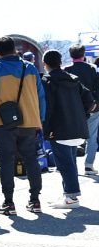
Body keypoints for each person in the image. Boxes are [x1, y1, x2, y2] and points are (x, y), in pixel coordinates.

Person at [0, 35, 46, 215]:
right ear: (15, 50)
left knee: (6, 162)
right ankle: (35, 201)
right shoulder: (30, 68)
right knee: (31, 159)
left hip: (3, 122)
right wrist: (39, 119)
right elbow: (41, 96)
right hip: (30, 122)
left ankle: (8, 203)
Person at [41, 50, 93, 209]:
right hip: (77, 127)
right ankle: (68, 194)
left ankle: (72, 197)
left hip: (59, 129)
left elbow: (47, 108)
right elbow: (90, 101)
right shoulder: (73, 79)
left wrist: (46, 128)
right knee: (70, 162)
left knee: (65, 164)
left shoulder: (47, 82)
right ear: (60, 62)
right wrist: (81, 116)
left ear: (45, 64)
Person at [65, 44, 99, 175]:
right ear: (83, 55)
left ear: (70, 55)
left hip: (72, 108)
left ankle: (72, 165)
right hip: (92, 107)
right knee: (92, 137)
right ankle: (89, 166)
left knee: (72, 137)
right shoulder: (93, 68)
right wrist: (96, 102)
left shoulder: (66, 69)